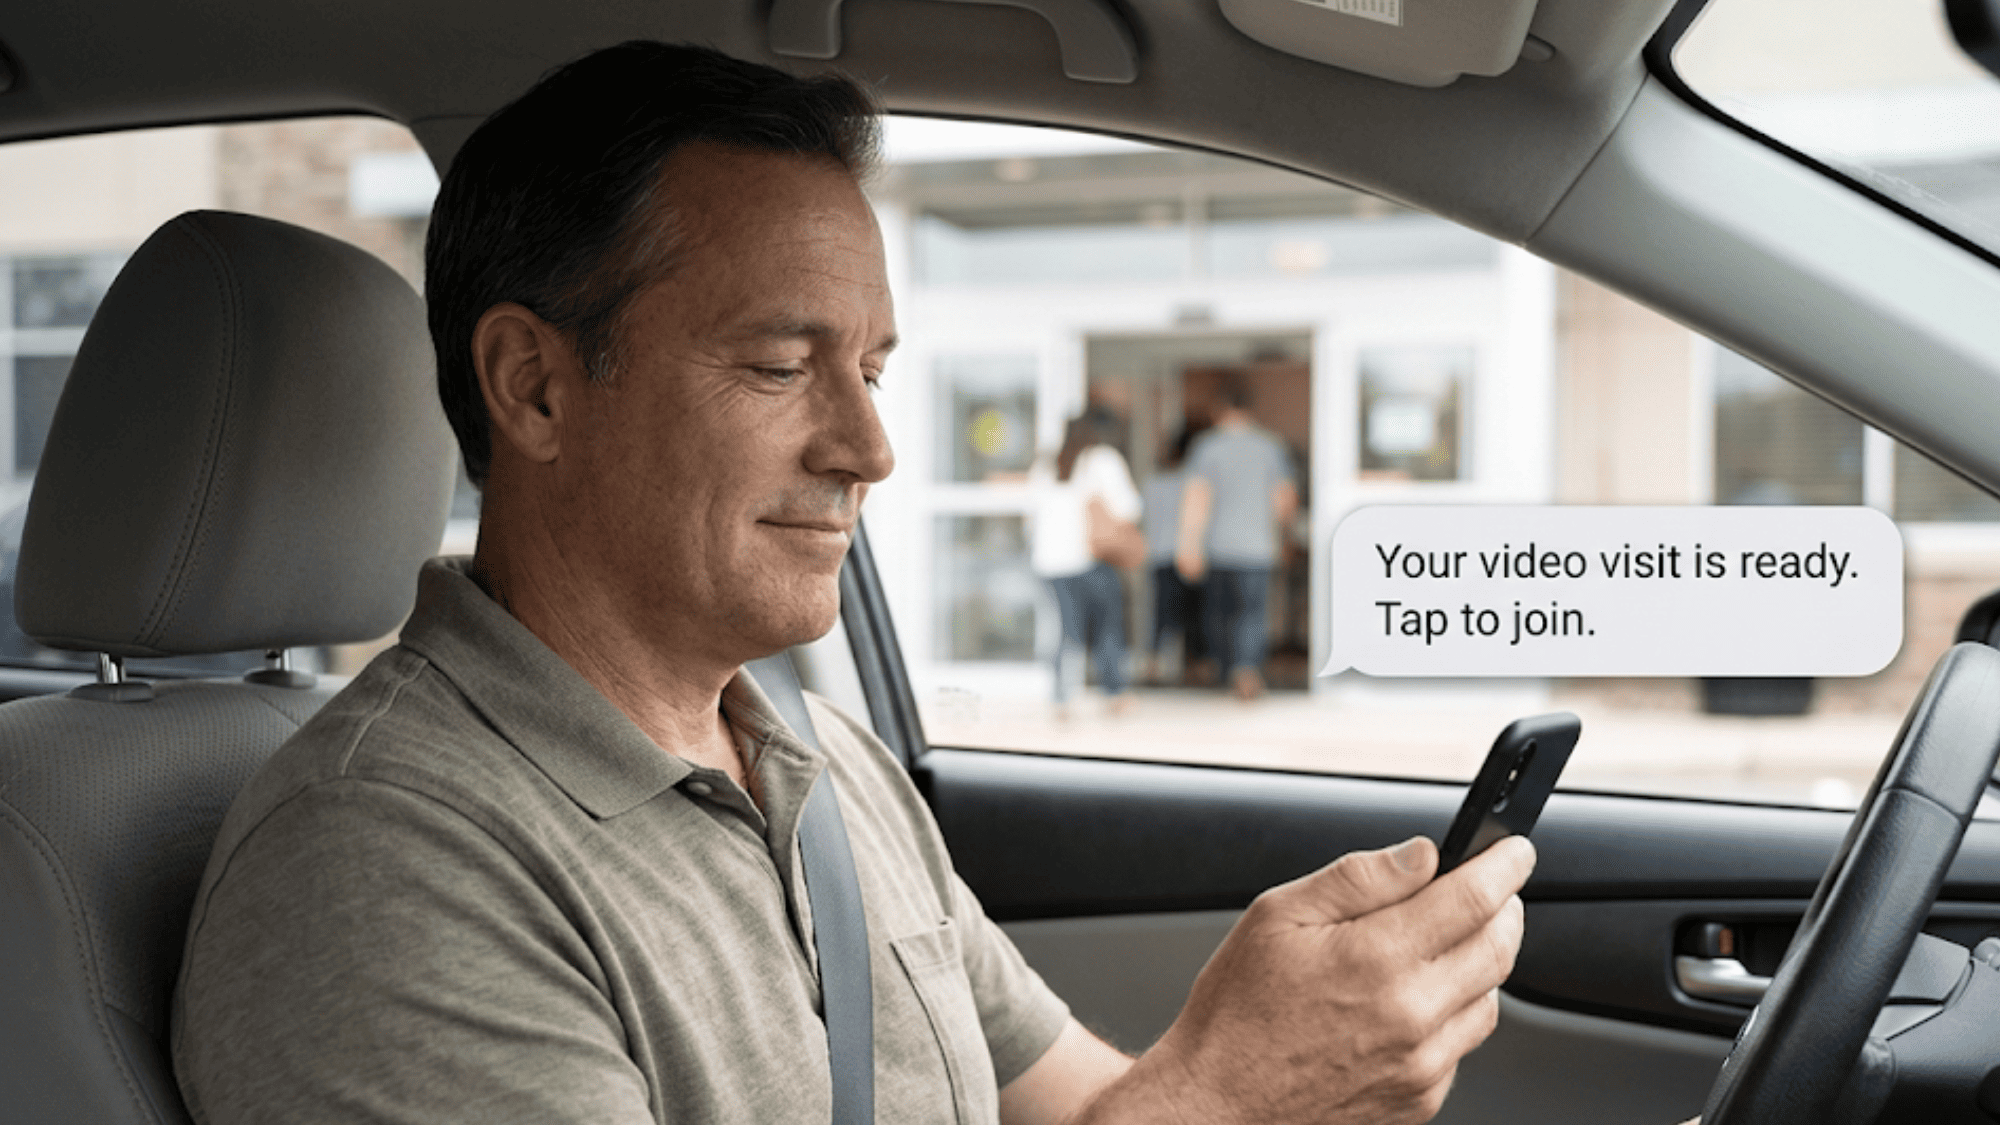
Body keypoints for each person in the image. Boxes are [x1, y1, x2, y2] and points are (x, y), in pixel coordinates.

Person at [172, 42, 1535, 1125]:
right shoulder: (382, 871)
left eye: (871, 371)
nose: (868, 448)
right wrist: (1226, 1102)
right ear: (533, 385)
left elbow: (1084, 1110)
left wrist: (1274, 1065)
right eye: (778, 367)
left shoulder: (827, 766)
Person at [1176, 381, 1298, 700]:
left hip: (1219, 547)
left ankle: (1228, 669)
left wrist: (1189, 545)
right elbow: (1284, 500)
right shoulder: (1271, 446)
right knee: (1253, 613)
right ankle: (1246, 669)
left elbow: (1197, 497)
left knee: (1220, 614)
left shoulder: (1207, 447)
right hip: (1258, 547)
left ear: (1219, 411)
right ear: (1249, 410)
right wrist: (1284, 536)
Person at [1030, 408, 1140, 714]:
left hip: (1050, 562)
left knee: (1066, 629)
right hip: (1090, 559)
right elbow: (1127, 508)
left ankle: (1061, 697)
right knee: (1107, 626)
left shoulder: (1048, 463)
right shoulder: (1103, 459)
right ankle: (1113, 692)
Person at [1140, 427, 1198, 685]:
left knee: (1161, 613)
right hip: (1186, 554)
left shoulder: (1152, 483)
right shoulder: (1190, 483)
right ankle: (1193, 666)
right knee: (1191, 614)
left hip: (1158, 555)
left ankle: (1153, 663)